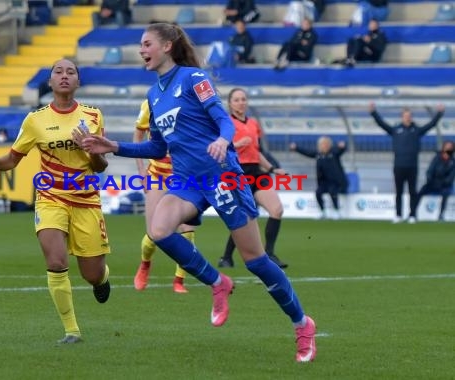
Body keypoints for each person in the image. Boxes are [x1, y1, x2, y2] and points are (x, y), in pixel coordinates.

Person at [79, 22, 316, 362]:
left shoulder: (193, 78)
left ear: (168, 46)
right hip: (187, 179)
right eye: (140, 45)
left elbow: (223, 119)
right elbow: (158, 147)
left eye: (147, 43)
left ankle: (302, 323)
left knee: (256, 260)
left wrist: (222, 140)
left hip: (221, 175)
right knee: (158, 229)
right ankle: (217, 282)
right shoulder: (154, 94)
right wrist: (113, 145)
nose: (141, 49)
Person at [0, 58, 112, 344]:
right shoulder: (35, 120)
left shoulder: (93, 116)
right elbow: (12, 159)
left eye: (70, 72)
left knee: (91, 274)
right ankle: (71, 331)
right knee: (56, 261)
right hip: (50, 198)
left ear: (78, 81)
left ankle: (102, 278)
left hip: (86, 200)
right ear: (50, 82)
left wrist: (92, 150)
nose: (64, 76)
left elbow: (100, 167)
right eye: (58, 72)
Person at [218, 88, 288, 269]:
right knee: (244, 218)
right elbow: (218, 151)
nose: (241, 102)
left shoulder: (254, 124)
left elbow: (256, 152)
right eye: (236, 100)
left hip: (256, 172)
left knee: (277, 209)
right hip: (238, 172)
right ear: (230, 103)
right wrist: (236, 145)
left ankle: (270, 253)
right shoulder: (225, 124)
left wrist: (272, 169)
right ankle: (226, 257)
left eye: (243, 99)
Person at [133, 99, 193, 294]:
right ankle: (145, 264)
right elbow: (138, 134)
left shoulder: (191, 103)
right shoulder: (150, 103)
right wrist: (141, 171)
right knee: (153, 235)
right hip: (157, 176)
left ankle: (179, 280)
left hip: (185, 177)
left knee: (188, 231)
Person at [369, 102, 445, 223]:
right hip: (398, 165)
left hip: (412, 165)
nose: (407, 117)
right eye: (405, 115)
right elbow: (382, 124)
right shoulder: (396, 130)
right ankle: (398, 215)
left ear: (411, 117)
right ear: (402, 116)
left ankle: (412, 215)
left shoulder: (416, 130)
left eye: (409, 115)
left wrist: (439, 113)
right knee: (398, 192)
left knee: (412, 191)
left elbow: (431, 125)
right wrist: (373, 112)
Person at [290, 137, 348, 220]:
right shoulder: (318, 154)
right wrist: (296, 148)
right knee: (318, 193)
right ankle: (323, 211)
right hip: (323, 182)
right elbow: (307, 152)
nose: (323, 146)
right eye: (321, 144)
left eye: (325, 144)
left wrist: (343, 146)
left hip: (335, 181)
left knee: (333, 192)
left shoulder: (334, 152)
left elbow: (341, 150)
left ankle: (337, 211)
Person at [415, 140, 455, 221]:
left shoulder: (453, 162)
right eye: (446, 147)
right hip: (433, 183)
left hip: (444, 185)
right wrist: (430, 180)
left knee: (446, 193)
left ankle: (441, 215)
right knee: (421, 191)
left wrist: (443, 183)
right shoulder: (436, 158)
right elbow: (430, 171)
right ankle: (413, 212)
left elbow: (451, 177)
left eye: (450, 148)